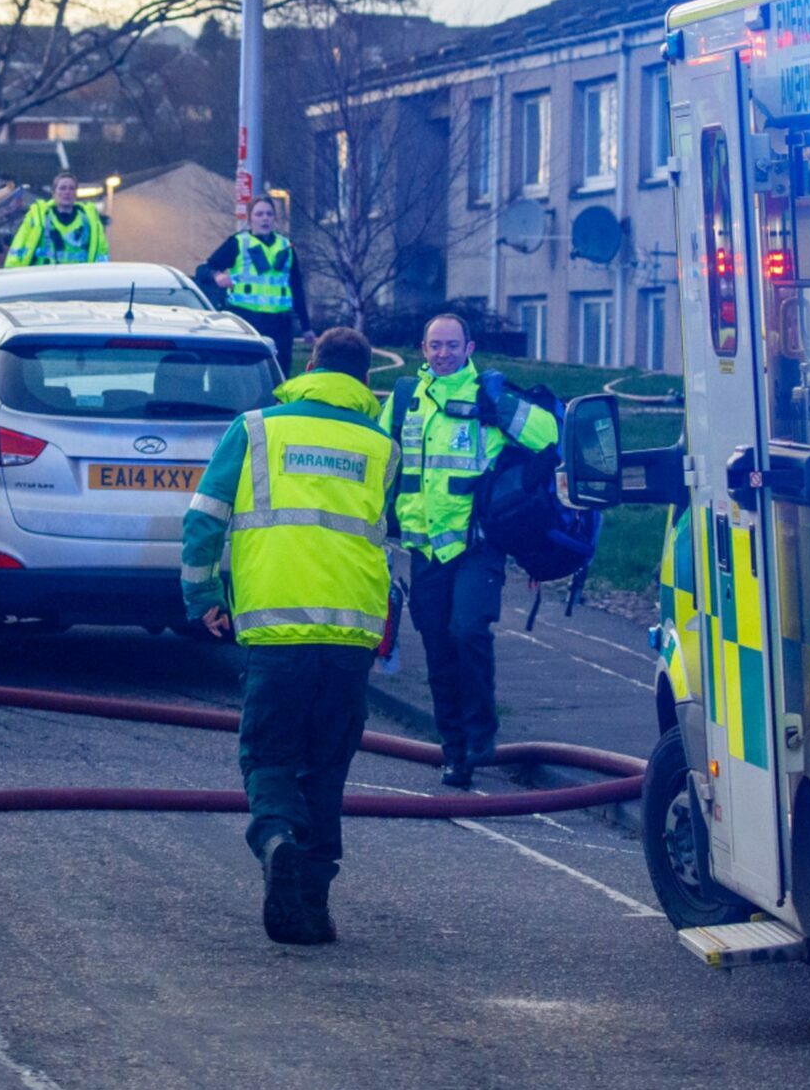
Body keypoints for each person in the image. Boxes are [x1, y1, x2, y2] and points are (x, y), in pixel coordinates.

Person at [182, 326, 395, 946]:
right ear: (363, 381)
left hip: (275, 627)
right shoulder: (381, 444)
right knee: (326, 767)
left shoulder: (256, 428)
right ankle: (314, 904)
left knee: (270, 756)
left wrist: (202, 596)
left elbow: (205, 520)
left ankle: (276, 839)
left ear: (308, 367)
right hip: (352, 630)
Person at [388, 312, 557, 789]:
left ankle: (481, 736)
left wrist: (500, 408)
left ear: (469, 347)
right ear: (423, 349)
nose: (442, 354)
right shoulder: (406, 400)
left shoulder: (488, 394)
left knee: (468, 632)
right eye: (434, 345)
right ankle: (455, 752)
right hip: (425, 550)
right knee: (439, 649)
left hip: (475, 545)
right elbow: (379, 455)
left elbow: (549, 436)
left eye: (451, 345)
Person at [196, 195, 307, 371]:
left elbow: (297, 287)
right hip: (247, 319)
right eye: (259, 214)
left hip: (280, 324)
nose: (265, 218)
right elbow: (202, 271)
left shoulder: (286, 246)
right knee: (246, 371)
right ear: (250, 219)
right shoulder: (238, 243)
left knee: (280, 372)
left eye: (269, 214)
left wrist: (306, 327)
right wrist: (216, 276)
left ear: (275, 218)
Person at [3, 172, 111, 266]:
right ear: (54, 192)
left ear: (76, 193)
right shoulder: (38, 218)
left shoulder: (89, 221)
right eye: (62, 188)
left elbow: (101, 253)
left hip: (78, 281)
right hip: (45, 280)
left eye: (71, 188)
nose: (67, 192)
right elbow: (18, 249)